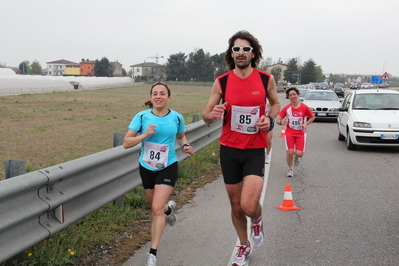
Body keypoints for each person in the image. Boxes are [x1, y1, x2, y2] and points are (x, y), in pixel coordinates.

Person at [202, 30, 280, 266]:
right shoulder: (222, 81)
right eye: (236, 49)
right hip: (229, 150)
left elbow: (275, 103)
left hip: (255, 148)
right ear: (231, 53)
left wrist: (270, 119)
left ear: (253, 53)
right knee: (236, 206)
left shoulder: (265, 78)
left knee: (248, 205)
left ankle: (256, 218)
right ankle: (243, 246)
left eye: (246, 49)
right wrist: (213, 114)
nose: (241, 53)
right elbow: (206, 114)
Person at [123, 82, 194, 266]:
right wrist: (144, 135)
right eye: (155, 93)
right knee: (157, 208)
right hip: (146, 166)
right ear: (151, 97)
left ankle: (152, 253)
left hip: (167, 165)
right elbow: (126, 143)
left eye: (162, 93)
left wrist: (185, 145)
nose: (158, 96)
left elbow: (180, 136)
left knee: (156, 209)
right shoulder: (141, 117)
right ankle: (169, 210)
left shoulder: (177, 117)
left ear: (168, 97)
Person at [276, 87, 315, 177]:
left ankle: (297, 157)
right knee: (290, 152)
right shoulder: (287, 108)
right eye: (290, 95)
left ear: (297, 95)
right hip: (289, 132)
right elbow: (278, 120)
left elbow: (312, 117)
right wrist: (281, 122)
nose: (293, 96)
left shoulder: (304, 107)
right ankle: (290, 169)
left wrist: (305, 124)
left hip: (301, 133)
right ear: (288, 97)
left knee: (299, 153)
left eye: (294, 94)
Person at [265, 99, 273, 164]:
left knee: (269, 140)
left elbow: (275, 105)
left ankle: (267, 154)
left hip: (267, 121)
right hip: (257, 121)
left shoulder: (269, 99)